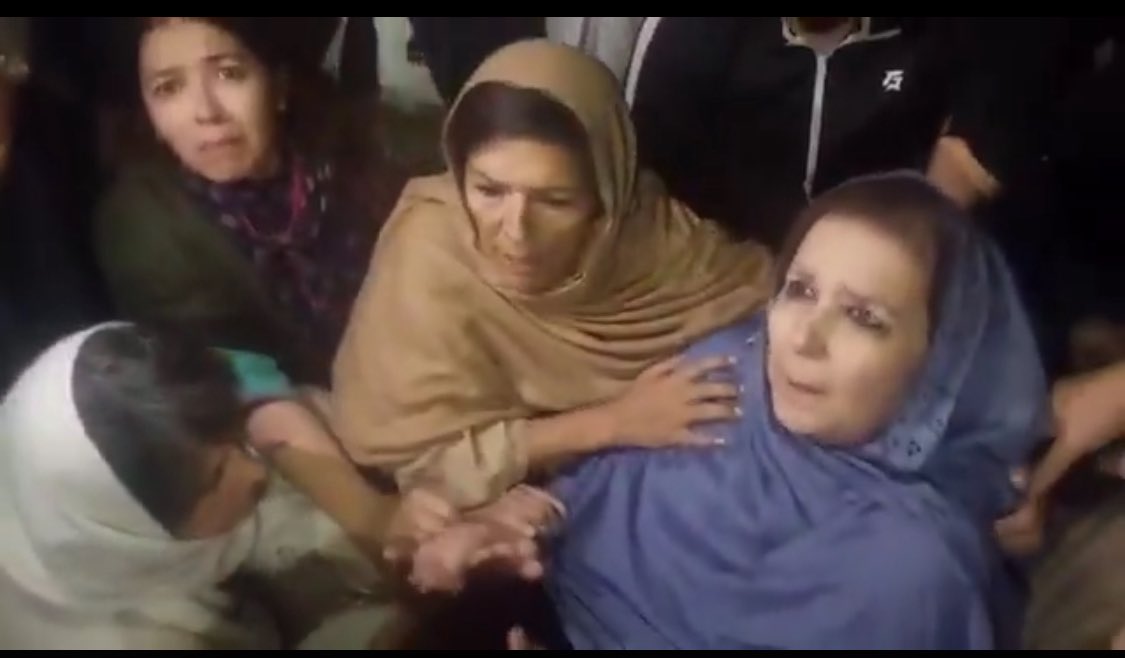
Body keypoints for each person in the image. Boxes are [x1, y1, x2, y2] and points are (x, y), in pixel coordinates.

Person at [481, 172, 1045, 649]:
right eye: (800, 291)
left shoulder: (911, 571)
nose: (804, 338)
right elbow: (576, 505)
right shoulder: (730, 374)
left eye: (863, 318)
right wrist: (506, 527)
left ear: (939, 368)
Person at [329, 39, 774, 530]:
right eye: (488, 191)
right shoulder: (429, 259)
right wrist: (611, 423)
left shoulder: (656, 242)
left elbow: (764, 296)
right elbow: (411, 463)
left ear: (606, 196)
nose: (516, 230)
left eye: (556, 201)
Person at [0, 323, 401, 649]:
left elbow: (249, 384)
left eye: (235, 437)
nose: (253, 472)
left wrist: (367, 515)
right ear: (138, 534)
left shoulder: (140, 394)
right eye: (216, 476)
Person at [95, 17, 401, 386]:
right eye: (168, 87)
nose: (206, 112)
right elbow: (226, 381)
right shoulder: (144, 225)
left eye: (229, 74)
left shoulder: (360, 159)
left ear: (279, 86)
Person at [627, 17, 1067, 247]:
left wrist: (902, 252)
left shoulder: (943, 34)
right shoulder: (693, 31)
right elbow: (653, 192)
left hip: (894, 261)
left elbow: (980, 149)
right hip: (727, 275)